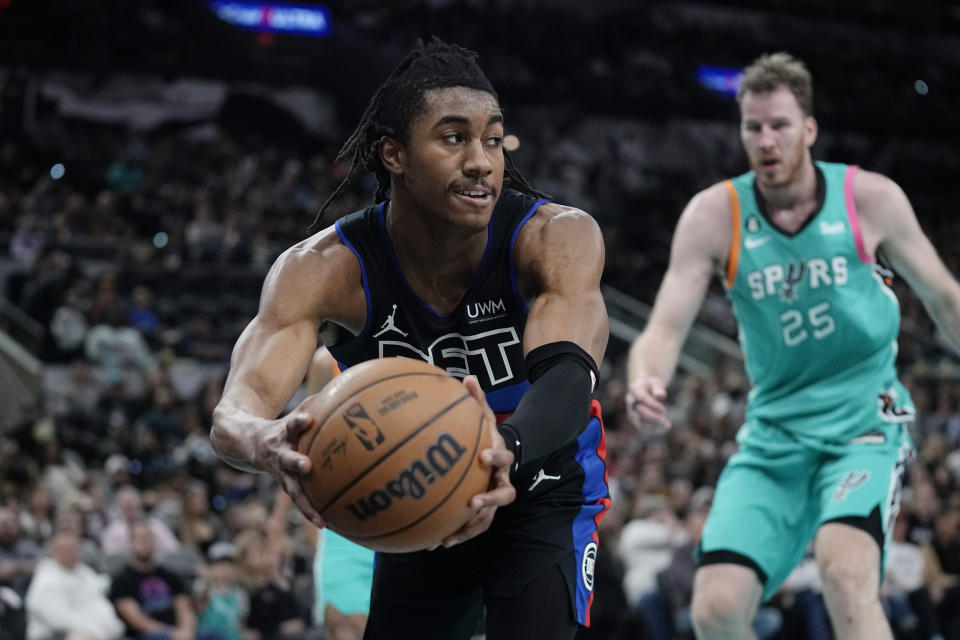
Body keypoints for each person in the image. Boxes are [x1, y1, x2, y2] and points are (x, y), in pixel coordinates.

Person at [211, 38, 610, 640]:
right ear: (393, 153)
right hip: (419, 489)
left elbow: (568, 380)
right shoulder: (323, 269)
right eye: (454, 138)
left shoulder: (556, 237)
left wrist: (504, 451)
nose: (482, 160)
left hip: (540, 479)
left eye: (494, 140)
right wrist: (266, 439)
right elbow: (234, 412)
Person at [626, 51, 960, 640]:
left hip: (863, 426)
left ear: (808, 128)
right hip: (775, 437)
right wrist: (646, 378)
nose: (765, 139)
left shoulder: (867, 198)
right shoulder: (714, 215)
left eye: (779, 124)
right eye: (752, 126)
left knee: (845, 575)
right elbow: (663, 329)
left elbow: (943, 297)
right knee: (715, 610)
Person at [306, 347, 373, 640]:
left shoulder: (424, 342)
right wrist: (279, 525)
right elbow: (306, 446)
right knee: (348, 630)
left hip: (413, 514)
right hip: (345, 525)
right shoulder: (325, 362)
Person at [24, 531, 125, 640]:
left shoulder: (83, 571)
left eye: (73, 549)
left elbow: (98, 598)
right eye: (65, 550)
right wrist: (99, 633)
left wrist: (112, 627)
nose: (70, 553)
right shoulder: (46, 580)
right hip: (56, 635)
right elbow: (60, 620)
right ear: (54, 552)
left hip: (99, 631)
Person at [108, 520, 199, 640]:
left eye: (150, 538)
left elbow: (184, 607)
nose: (146, 543)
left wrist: (187, 631)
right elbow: (136, 620)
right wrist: (171, 633)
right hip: (145, 635)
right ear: (131, 543)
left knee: (214, 634)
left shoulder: (171, 575)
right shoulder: (121, 580)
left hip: (179, 633)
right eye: (141, 538)